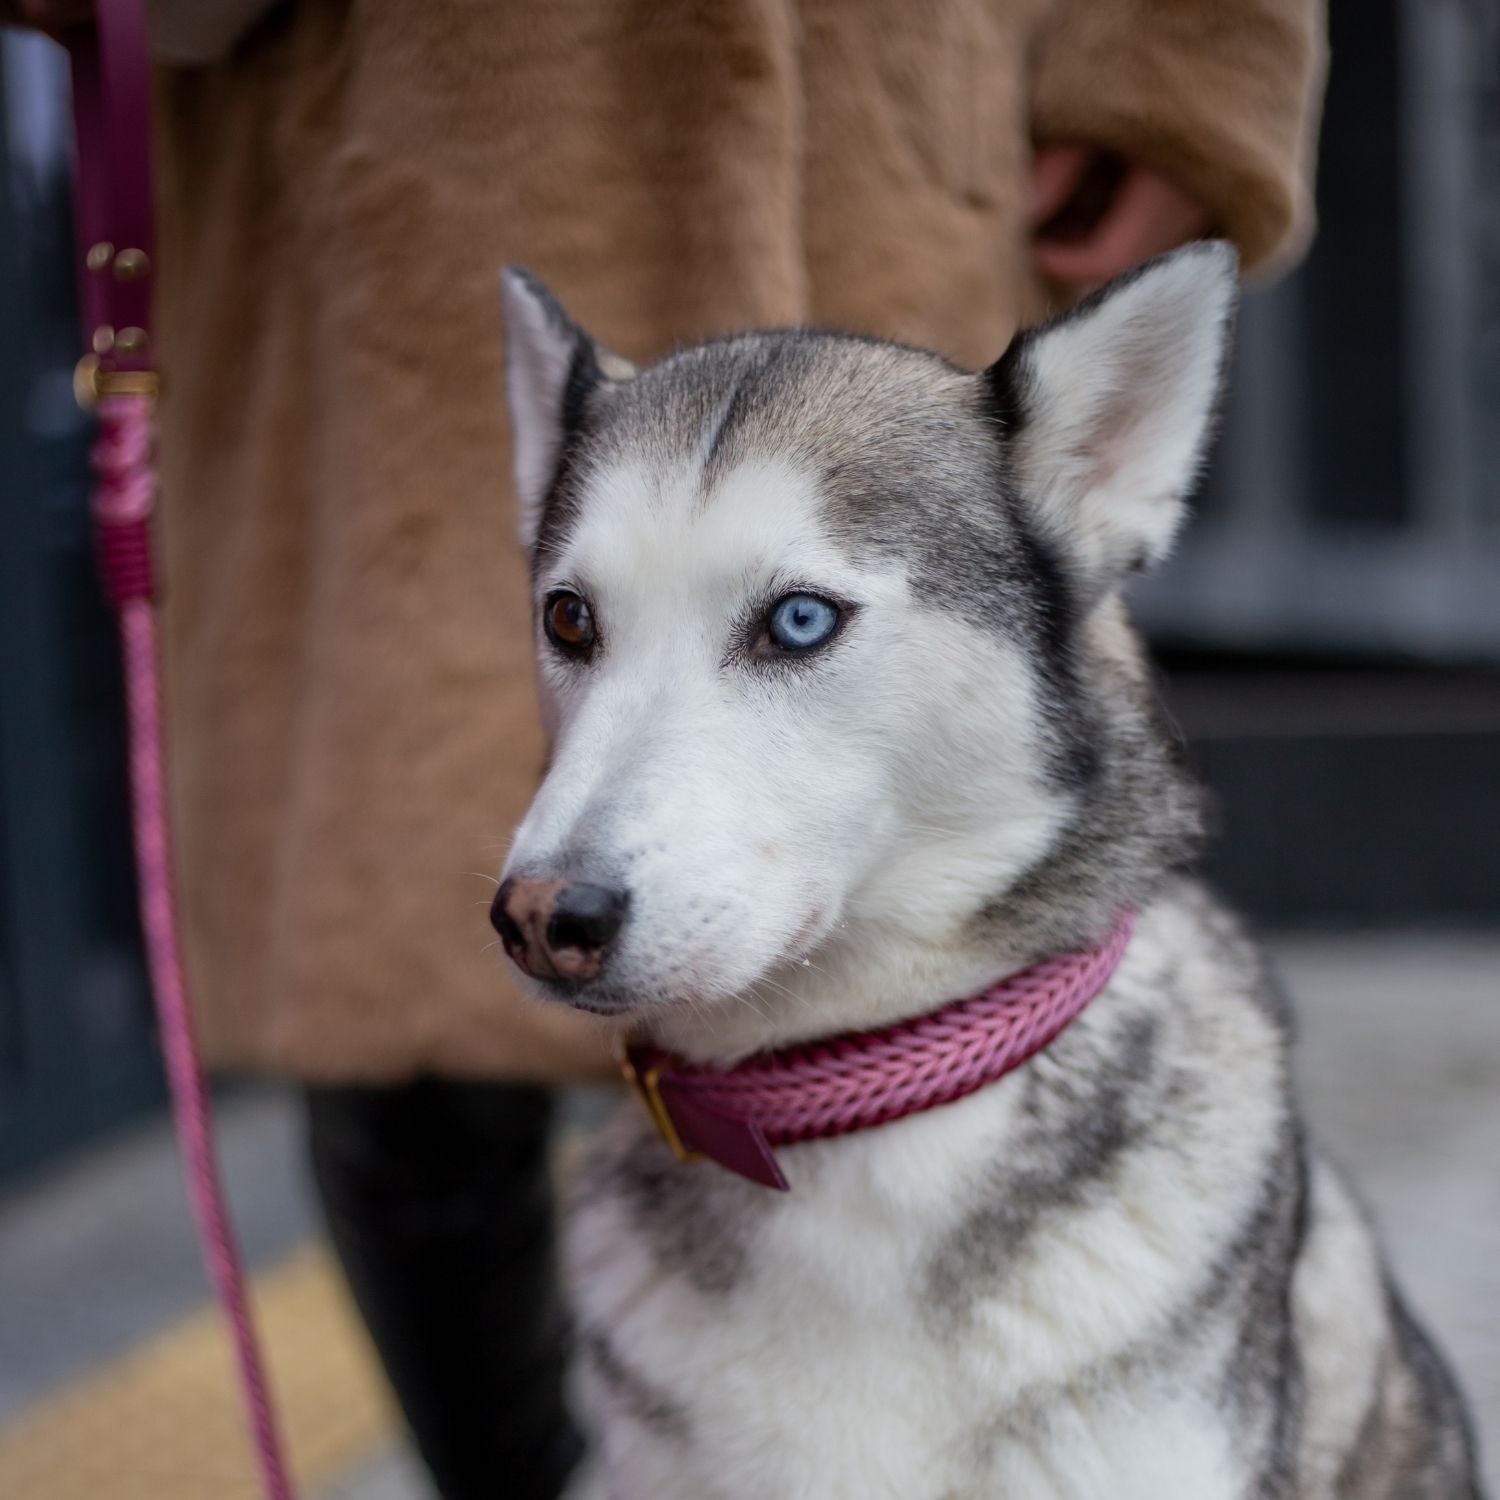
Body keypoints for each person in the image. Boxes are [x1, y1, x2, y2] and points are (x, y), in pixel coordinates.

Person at [8, 2, 1326, 1496]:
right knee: (401, 1059)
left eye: (797, 627)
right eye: (566, 624)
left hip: (903, 142)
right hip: (390, 195)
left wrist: (1184, 77)